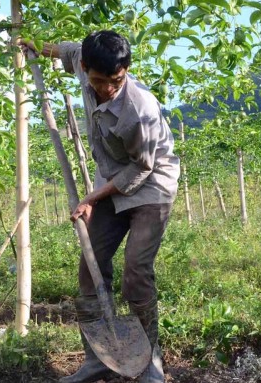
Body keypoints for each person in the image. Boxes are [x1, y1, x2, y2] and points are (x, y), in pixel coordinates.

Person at [22, 30, 179, 383]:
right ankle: (97, 358)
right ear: (85, 68)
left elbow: (142, 167)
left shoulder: (139, 109)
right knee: (90, 266)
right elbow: (63, 49)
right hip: (111, 180)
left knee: (136, 268)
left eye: (116, 80)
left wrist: (92, 198)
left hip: (152, 186)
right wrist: (32, 43)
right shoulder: (82, 62)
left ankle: (149, 362)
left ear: (126, 71)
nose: (107, 88)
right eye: (98, 80)